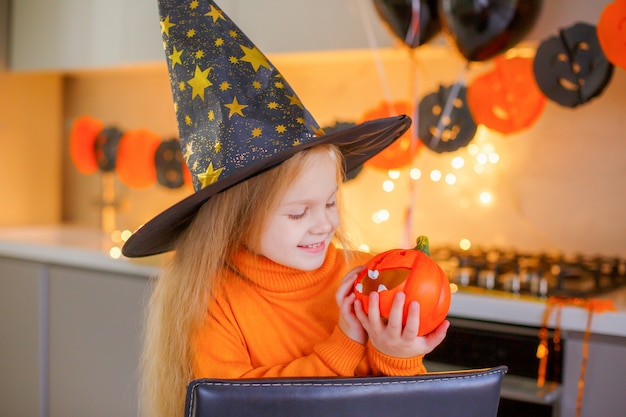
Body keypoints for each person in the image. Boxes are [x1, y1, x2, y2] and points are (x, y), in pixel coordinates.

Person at [122, 1, 449, 417]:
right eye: (298, 213)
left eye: (331, 202)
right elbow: (242, 408)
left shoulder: (373, 278)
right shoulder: (213, 303)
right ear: (235, 221)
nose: (325, 223)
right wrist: (345, 344)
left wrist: (396, 356)